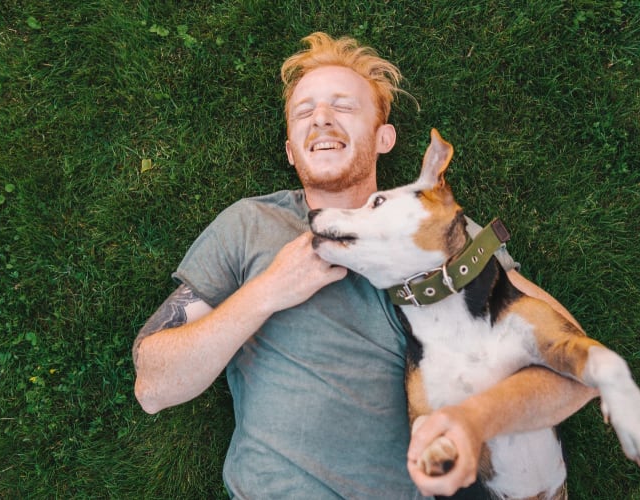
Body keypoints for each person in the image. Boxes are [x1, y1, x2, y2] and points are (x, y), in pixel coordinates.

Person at [133, 32, 598, 499]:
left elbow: (579, 369)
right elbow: (154, 386)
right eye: (304, 111)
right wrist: (269, 290)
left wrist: (476, 419)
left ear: (383, 137)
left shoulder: (439, 233)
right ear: (292, 150)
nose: (321, 119)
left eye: (343, 106)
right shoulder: (250, 225)